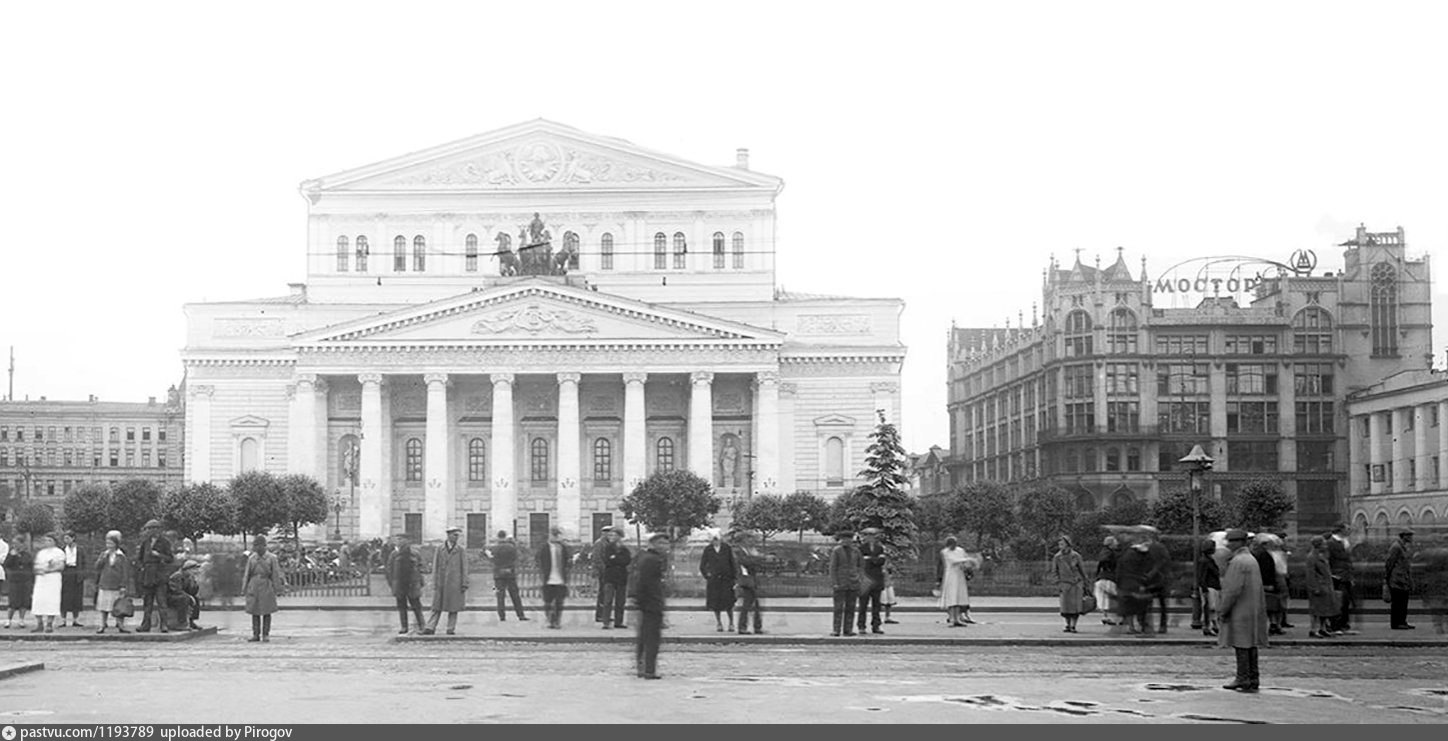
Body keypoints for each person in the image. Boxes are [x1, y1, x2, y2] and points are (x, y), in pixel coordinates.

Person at [1218, 529, 1269, 693]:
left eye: (1231, 541)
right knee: (1250, 644)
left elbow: (1232, 590)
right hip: (1252, 607)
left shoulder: (1238, 562)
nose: (1228, 544)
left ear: (1239, 542)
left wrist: (1223, 609)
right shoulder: (1251, 559)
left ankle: (1243, 677)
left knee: (1241, 644)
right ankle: (1253, 677)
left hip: (1240, 609)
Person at [628, 532, 670, 680]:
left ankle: (642, 668)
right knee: (651, 638)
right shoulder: (652, 560)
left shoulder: (645, 557)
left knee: (644, 637)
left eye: (666, 543)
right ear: (653, 544)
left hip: (646, 603)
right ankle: (649, 670)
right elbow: (646, 583)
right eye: (661, 543)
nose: (665, 547)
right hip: (651, 603)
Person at [425, 526, 469, 635]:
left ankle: (450, 628)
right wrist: (434, 581)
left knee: (453, 607)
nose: (456, 537)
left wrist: (464, 582)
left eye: (457, 535)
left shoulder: (460, 550)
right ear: (448, 535)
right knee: (436, 606)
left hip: (455, 582)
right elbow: (435, 566)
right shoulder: (440, 549)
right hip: (441, 581)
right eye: (454, 535)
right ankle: (430, 627)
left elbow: (464, 567)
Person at [242, 535, 284, 642]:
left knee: (267, 611)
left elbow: (275, 574)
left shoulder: (272, 558)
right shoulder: (252, 558)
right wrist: (244, 588)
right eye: (256, 546)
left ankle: (266, 634)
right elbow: (247, 574)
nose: (258, 548)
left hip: (266, 585)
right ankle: (255, 634)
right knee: (254, 611)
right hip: (254, 585)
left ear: (265, 546)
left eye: (260, 546)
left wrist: (277, 589)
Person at [136, 519, 174, 633]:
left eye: (151, 528)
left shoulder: (164, 542)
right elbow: (139, 558)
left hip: (159, 574)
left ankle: (164, 625)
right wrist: (141, 567)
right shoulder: (145, 542)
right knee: (147, 602)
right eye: (148, 529)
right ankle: (145, 625)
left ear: (157, 529)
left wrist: (159, 556)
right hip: (147, 575)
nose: (149, 531)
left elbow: (170, 558)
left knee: (162, 601)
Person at [386, 533, 426, 635]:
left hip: (412, 583)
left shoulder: (415, 553)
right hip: (399, 583)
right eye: (397, 539)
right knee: (401, 606)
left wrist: (419, 580)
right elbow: (389, 569)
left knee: (416, 606)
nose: (398, 541)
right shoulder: (394, 554)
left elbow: (421, 566)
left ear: (407, 541)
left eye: (401, 539)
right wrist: (392, 583)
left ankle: (422, 626)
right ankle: (404, 626)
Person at [93, 530, 132, 634]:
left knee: (118, 606)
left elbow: (125, 572)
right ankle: (102, 625)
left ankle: (120, 625)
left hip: (116, 585)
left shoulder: (121, 556)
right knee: (103, 606)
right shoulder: (104, 554)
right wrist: (103, 558)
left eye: (111, 543)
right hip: (105, 583)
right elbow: (97, 567)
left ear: (116, 544)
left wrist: (123, 585)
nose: (109, 545)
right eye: (107, 543)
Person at [1115, 530, 1153, 635]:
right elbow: (1142, 570)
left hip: (1125, 583)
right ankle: (1142, 627)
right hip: (1136, 583)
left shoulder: (1126, 554)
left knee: (1129, 607)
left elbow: (1119, 569)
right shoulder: (1140, 555)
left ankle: (1131, 627)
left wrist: (1118, 583)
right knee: (1140, 606)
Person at [699, 530, 737, 632]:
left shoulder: (726, 548)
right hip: (714, 581)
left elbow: (732, 563)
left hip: (726, 579)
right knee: (716, 603)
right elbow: (703, 565)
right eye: (713, 539)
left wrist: (734, 578)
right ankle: (719, 623)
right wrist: (708, 576)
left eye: (717, 539)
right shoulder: (708, 549)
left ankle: (731, 623)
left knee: (729, 602)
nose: (715, 541)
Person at [1051, 534, 1090, 633]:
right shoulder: (1057, 557)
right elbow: (1054, 571)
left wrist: (1085, 581)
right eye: (1059, 544)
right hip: (1065, 584)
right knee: (1065, 607)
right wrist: (1057, 583)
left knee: (1075, 607)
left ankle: (1073, 625)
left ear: (1068, 544)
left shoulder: (1076, 556)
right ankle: (1067, 624)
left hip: (1076, 584)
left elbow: (1082, 569)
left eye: (1062, 544)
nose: (1060, 546)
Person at [536, 526, 572, 629]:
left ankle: (557, 621)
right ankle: (550, 620)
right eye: (553, 534)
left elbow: (568, 561)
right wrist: (542, 572)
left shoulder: (563, 548)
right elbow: (538, 559)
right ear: (549, 535)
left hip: (560, 579)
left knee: (559, 602)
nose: (555, 537)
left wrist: (567, 570)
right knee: (547, 601)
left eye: (557, 535)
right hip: (548, 579)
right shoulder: (544, 547)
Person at [1305, 535, 1340, 638]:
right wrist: (1314, 587)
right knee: (1316, 610)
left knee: (1325, 609)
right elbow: (1310, 574)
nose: (1326, 545)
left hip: (1326, 586)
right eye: (1324, 543)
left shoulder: (1322, 556)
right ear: (1318, 545)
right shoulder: (1312, 557)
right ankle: (1313, 629)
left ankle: (1322, 628)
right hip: (1319, 587)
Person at [489, 530, 528, 622]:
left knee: (500, 595)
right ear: (505, 537)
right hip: (510, 574)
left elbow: (488, 557)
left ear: (498, 537)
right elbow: (518, 557)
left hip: (498, 575)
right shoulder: (512, 548)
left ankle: (502, 616)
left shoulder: (493, 548)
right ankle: (520, 615)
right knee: (515, 595)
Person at [731, 529, 764, 634]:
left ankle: (757, 626)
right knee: (748, 604)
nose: (752, 541)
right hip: (745, 580)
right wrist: (758, 558)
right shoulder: (738, 550)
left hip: (751, 579)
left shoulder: (749, 550)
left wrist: (757, 558)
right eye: (749, 538)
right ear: (743, 540)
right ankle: (743, 627)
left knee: (755, 604)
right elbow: (746, 562)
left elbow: (754, 562)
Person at [30, 534, 65, 634]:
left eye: (49, 540)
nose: (47, 542)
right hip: (41, 579)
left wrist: (49, 569)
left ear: (54, 541)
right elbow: (36, 566)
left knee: (52, 600)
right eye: (45, 540)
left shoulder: (59, 552)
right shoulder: (41, 553)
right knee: (38, 600)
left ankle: (49, 624)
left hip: (53, 578)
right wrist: (38, 570)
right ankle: (39, 623)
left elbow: (61, 566)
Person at [829, 530, 861, 637]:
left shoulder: (856, 551)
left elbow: (861, 566)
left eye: (848, 539)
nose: (846, 541)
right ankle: (836, 629)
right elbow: (833, 568)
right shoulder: (836, 551)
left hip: (853, 583)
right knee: (838, 608)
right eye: (844, 539)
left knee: (851, 607)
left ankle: (848, 629)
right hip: (840, 582)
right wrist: (834, 582)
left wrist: (858, 578)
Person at [857, 527, 888, 635]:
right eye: (868, 535)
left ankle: (876, 625)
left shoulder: (880, 548)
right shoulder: (860, 548)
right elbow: (861, 562)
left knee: (877, 605)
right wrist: (874, 559)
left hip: (877, 579)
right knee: (863, 605)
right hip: (865, 579)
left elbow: (881, 561)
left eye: (872, 535)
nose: (870, 538)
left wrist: (870, 559)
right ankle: (861, 626)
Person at [1142, 526, 1172, 634]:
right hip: (1161, 579)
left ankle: (1147, 625)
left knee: (1147, 604)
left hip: (1150, 579)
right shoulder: (1161, 548)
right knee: (1163, 604)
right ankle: (1162, 626)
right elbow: (1166, 562)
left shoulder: (1146, 548)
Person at [599, 527, 631, 630]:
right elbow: (607, 560)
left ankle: (618, 622)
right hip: (610, 576)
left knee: (620, 601)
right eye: (610, 535)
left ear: (620, 537)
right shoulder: (608, 548)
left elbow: (627, 560)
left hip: (621, 577)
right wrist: (617, 559)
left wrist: (615, 558)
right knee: (608, 600)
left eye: (614, 535)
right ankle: (606, 622)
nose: (611, 537)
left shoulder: (624, 549)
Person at [1327, 522, 1356, 634]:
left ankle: (1344, 624)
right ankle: (1336, 625)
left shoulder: (1345, 542)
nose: (1350, 530)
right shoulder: (1331, 543)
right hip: (1337, 577)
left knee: (1346, 602)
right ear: (1340, 530)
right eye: (1347, 528)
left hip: (1346, 576)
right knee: (1339, 602)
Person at [1252, 535, 1283, 635]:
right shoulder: (1264, 555)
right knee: (1271, 605)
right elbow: (1266, 571)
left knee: (1271, 605)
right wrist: (1269, 583)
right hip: (1267, 583)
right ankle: (1273, 625)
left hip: (1266, 583)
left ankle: (1273, 624)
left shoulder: (1259, 554)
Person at [938, 535, 972, 628]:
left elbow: (964, 560)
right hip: (951, 576)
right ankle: (952, 618)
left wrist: (968, 565)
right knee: (952, 597)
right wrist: (967, 559)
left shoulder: (960, 550)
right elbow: (953, 561)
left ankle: (957, 619)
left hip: (959, 576)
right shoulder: (945, 552)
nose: (953, 546)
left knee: (959, 597)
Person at [1386, 528, 1416, 630]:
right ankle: (1396, 623)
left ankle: (1402, 621)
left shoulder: (1402, 547)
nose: (1412, 538)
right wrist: (1388, 578)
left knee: (1403, 601)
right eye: (1410, 535)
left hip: (1403, 578)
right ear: (1404, 536)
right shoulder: (1396, 547)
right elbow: (1390, 563)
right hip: (1397, 579)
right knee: (1397, 602)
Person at [4, 534, 33, 629]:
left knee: (24, 601)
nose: (14, 545)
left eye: (16, 543)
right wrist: (12, 556)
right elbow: (6, 564)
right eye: (13, 543)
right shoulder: (11, 553)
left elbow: (30, 566)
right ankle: (9, 620)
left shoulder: (27, 554)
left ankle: (21, 619)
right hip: (14, 581)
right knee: (13, 601)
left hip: (25, 581)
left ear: (22, 544)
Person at [59, 531, 86, 628]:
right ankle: (63, 620)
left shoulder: (80, 549)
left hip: (76, 572)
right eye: (65, 538)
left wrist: (82, 574)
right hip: (66, 572)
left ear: (73, 538)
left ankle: (75, 619)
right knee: (65, 596)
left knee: (76, 597)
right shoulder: (62, 549)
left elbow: (83, 562)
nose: (66, 540)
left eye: (68, 538)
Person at [1196, 539, 1222, 637]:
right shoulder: (1205, 561)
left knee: (1211, 608)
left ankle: (1212, 626)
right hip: (1210, 587)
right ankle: (1208, 626)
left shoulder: (1206, 560)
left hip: (1210, 586)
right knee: (1210, 608)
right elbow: (1202, 576)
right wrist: (1204, 589)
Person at [168, 560, 202, 631]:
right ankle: (181, 623)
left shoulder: (189, 577)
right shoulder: (177, 576)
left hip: (182, 595)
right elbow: (176, 589)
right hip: (171, 596)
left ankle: (191, 620)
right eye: (194, 569)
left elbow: (193, 592)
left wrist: (194, 583)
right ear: (188, 569)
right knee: (184, 599)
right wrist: (189, 596)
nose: (195, 571)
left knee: (196, 599)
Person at [1094, 536, 1120, 626]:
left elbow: (1099, 565)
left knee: (1102, 599)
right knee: (1117, 596)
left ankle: (1105, 617)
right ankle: (1118, 618)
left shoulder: (1102, 552)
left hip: (1100, 578)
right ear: (1111, 544)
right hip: (1109, 578)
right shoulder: (1111, 553)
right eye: (1115, 542)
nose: (1117, 544)